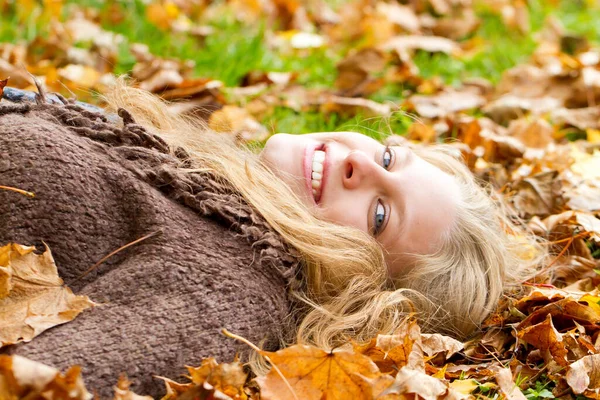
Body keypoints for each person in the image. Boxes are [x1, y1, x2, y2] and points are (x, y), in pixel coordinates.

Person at [0, 83, 543, 396]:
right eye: (387, 159)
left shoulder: (224, 297)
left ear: (363, 291)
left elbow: (37, 385)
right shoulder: (210, 190)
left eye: (379, 214)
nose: (358, 161)